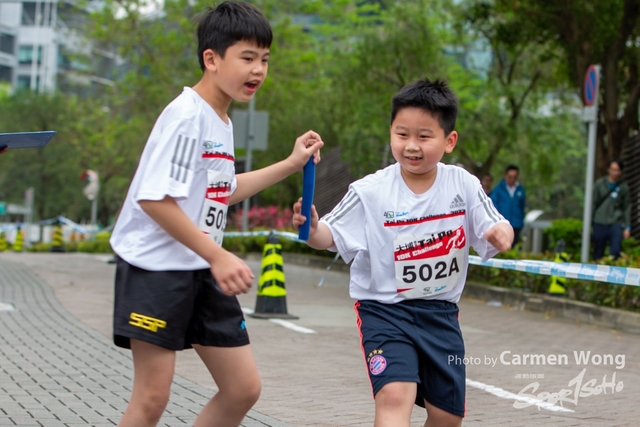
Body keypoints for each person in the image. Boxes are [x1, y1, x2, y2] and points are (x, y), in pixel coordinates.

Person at [109, 3, 323, 427]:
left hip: (202, 268)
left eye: (264, 59)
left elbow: (221, 192)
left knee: (242, 388)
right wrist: (219, 255)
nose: (258, 70)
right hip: (157, 269)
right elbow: (154, 200)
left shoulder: (220, 120)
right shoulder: (187, 117)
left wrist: (290, 163)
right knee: (152, 397)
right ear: (211, 58)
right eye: (247, 58)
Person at [292, 78, 513, 427]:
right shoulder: (371, 190)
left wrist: (503, 233)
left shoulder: (464, 185)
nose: (411, 146)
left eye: (424, 137)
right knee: (395, 395)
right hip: (385, 312)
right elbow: (330, 236)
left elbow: (495, 225)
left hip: (440, 315)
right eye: (402, 134)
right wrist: (311, 228)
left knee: (447, 417)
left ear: (449, 140)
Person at [592, 158, 631, 260]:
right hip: (599, 222)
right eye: (613, 169)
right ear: (608, 169)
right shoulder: (599, 184)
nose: (615, 172)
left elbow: (626, 207)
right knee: (598, 251)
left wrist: (627, 226)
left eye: (618, 170)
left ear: (621, 171)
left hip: (615, 222)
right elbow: (593, 203)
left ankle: (614, 274)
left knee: (615, 250)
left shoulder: (623, 187)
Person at [490, 164, 525, 245]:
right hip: (502, 224)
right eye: (510, 177)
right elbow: (493, 205)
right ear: (505, 175)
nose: (512, 179)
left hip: (516, 224)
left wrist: (520, 221)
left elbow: (522, 207)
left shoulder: (520, 190)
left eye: (514, 177)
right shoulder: (498, 190)